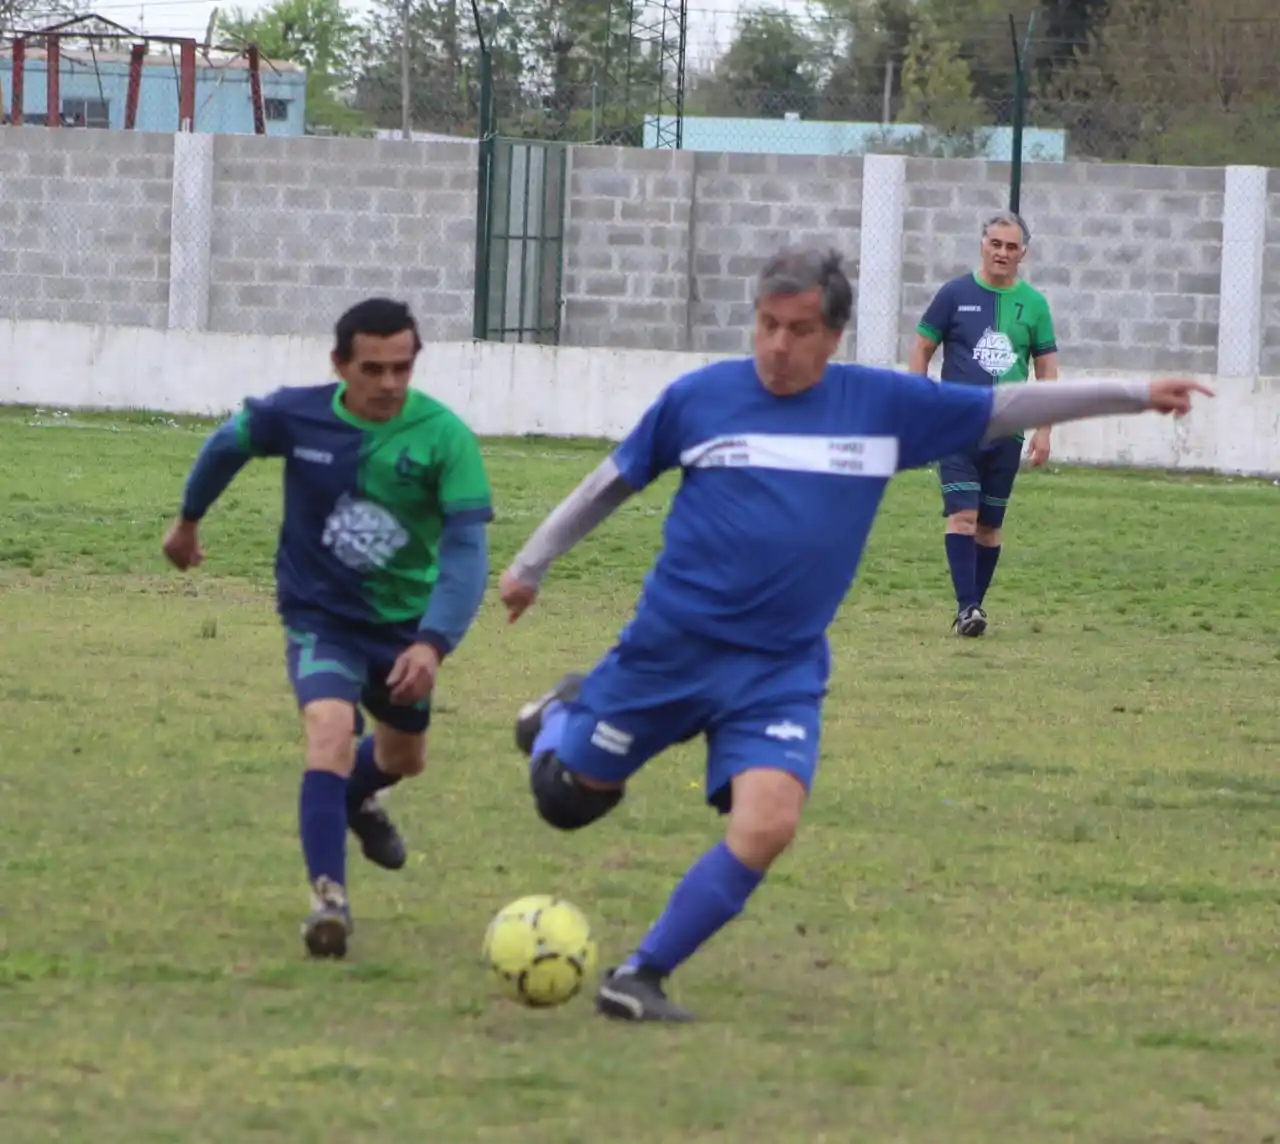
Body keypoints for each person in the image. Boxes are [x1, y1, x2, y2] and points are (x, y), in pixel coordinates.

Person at [497, 246, 1210, 1023]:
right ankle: (559, 716)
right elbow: (612, 481)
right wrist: (531, 564)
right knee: (568, 803)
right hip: (670, 649)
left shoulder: (881, 406)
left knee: (768, 824)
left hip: (779, 667)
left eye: (798, 329)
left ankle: (639, 976)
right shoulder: (700, 398)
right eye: (766, 325)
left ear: (833, 335)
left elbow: (1008, 406)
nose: (777, 344)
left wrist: (1137, 393)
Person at [162, 297, 493, 959]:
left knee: (404, 758)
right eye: (373, 369)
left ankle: (355, 798)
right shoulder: (295, 414)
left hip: (404, 627)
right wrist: (188, 520)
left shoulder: (444, 437)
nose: (390, 384)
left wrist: (432, 642)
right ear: (340, 364)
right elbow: (227, 444)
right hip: (320, 616)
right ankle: (329, 902)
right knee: (330, 730)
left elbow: (465, 552)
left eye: (403, 368)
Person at [908, 210, 1060, 637]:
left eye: (1011, 247)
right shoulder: (954, 294)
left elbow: (1047, 370)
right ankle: (967, 607)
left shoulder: (1034, 304)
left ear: (1023, 254)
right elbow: (922, 349)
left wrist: (1045, 428)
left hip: (1007, 430)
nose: (1002, 253)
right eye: (996, 244)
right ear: (982, 245)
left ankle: (972, 607)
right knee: (963, 515)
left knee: (990, 527)